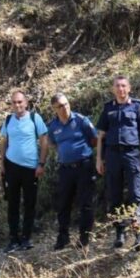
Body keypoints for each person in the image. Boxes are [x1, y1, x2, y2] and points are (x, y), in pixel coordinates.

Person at [96, 75, 140, 250]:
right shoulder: (108, 108)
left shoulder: (137, 106)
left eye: (123, 86)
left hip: (132, 155)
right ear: (113, 89)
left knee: (136, 195)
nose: (120, 89)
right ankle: (119, 232)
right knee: (114, 195)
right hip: (112, 156)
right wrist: (99, 159)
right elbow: (101, 136)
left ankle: (139, 234)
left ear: (129, 88)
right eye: (117, 86)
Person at [39, 93, 97, 250]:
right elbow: (52, 144)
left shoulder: (81, 120)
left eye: (66, 104)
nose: (65, 108)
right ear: (54, 109)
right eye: (60, 106)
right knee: (63, 203)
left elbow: (94, 140)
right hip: (65, 169)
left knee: (85, 203)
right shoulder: (53, 126)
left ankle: (84, 238)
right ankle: (63, 237)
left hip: (84, 166)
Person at [0, 90, 48, 252]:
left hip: (30, 168)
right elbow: (4, 142)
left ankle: (26, 238)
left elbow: (44, 141)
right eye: (14, 102)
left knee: (29, 203)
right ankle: (14, 239)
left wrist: (41, 164)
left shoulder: (35, 118)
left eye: (20, 102)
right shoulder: (8, 120)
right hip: (11, 166)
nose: (17, 105)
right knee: (12, 203)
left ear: (26, 103)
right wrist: (1, 164)